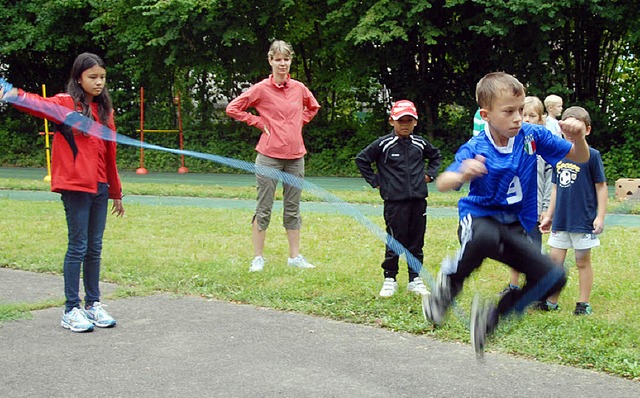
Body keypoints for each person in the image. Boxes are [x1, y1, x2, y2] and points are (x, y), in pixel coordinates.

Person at [421, 72, 590, 357]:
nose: (517, 118)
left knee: (554, 276)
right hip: (478, 219)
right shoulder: (477, 147)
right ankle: (447, 287)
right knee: (484, 237)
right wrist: (463, 172)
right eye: (509, 111)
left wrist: (578, 138)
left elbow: (579, 157)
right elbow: (443, 182)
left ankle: (489, 319)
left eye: (521, 110)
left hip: (514, 226)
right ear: (486, 115)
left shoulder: (531, 136)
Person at [0, 53, 125, 333]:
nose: (99, 82)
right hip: (76, 188)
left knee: (95, 248)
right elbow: (37, 104)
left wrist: (115, 192)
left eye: (102, 77)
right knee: (78, 246)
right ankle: (71, 309)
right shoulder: (65, 105)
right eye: (93, 77)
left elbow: (109, 154)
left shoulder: (105, 112)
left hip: (101, 188)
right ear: (79, 78)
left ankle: (93, 304)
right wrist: (11, 94)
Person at [226, 40, 321, 272]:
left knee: (293, 207)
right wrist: (257, 121)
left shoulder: (299, 88)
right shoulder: (261, 89)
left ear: (291, 61)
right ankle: (258, 258)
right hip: (268, 156)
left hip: (296, 156)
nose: (282, 64)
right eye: (277, 60)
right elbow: (233, 108)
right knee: (264, 206)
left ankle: (294, 257)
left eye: (286, 59)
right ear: (270, 60)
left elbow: (314, 107)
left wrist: (301, 121)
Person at [355, 100, 442, 297]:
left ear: (415, 122)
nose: (404, 124)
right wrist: (376, 181)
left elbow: (436, 155)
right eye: (400, 120)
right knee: (395, 239)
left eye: (409, 120)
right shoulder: (384, 144)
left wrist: (430, 175)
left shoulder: (420, 143)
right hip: (394, 202)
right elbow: (362, 159)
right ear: (391, 121)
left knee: (416, 240)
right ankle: (390, 278)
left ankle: (415, 279)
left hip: (418, 200)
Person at [539, 106, 607, 315]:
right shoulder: (558, 156)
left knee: (582, 261)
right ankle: (551, 301)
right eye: (566, 129)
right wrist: (549, 215)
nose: (569, 134)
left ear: (587, 130)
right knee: (555, 262)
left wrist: (600, 216)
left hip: (583, 219)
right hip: (561, 220)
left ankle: (583, 303)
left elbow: (601, 186)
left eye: (575, 129)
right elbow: (556, 188)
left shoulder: (591, 156)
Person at [502, 96, 552, 293]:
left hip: (535, 207)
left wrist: (547, 207)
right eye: (524, 114)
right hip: (514, 207)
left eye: (533, 115)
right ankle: (513, 286)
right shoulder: (509, 143)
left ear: (540, 120)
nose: (527, 119)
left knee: (533, 249)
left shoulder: (545, 146)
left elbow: (551, 179)